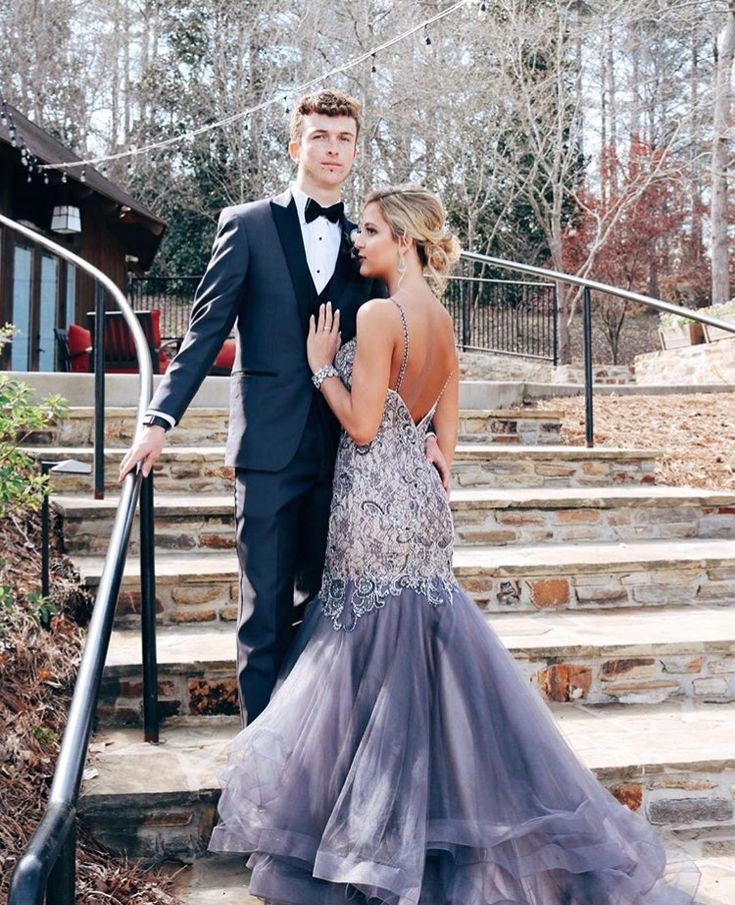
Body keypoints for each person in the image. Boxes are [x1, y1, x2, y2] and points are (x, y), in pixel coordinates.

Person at [207, 184, 701, 905]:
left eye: (371, 231)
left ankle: (371, 841)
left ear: (403, 242)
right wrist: (426, 457)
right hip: (422, 506)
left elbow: (364, 425)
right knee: (418, 666)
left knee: (366, 664)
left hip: (373, 501)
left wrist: (320, 366)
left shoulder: (377, 314)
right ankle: (412, 828)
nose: (359, 241)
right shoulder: (439, 316)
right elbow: (446, 439)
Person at [118, 90, 451, 727]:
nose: (333, 149)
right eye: (321, 136)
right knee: (264, 611)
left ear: (355, 151)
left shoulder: (370, 240)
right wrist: (159, 421)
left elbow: (410, 337)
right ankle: (260, 766)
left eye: (345, 139)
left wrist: (429, 428)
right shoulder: (245, 225)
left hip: (350, 455)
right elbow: (205, 334)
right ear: (296, 146)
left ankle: (315, 752)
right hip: (268, 452)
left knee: (331, 612)